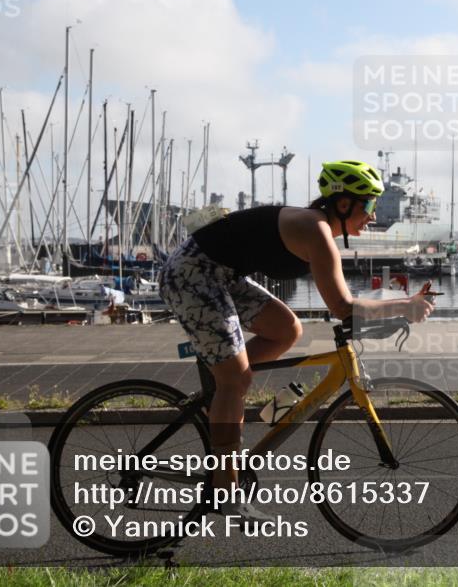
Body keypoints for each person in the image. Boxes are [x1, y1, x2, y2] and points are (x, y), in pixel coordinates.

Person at [158, 160, 434, 522]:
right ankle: (227, 494)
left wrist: (397, 311)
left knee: (287, 330)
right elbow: (342, 306)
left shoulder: (318, 228)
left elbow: (343, 307)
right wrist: (405, 306)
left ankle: (220, 391)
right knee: (236, 379)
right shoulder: (315, 231)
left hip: (218, 274)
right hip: (192, 276)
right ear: (344, 203)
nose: (372, 214)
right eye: (368, 205)